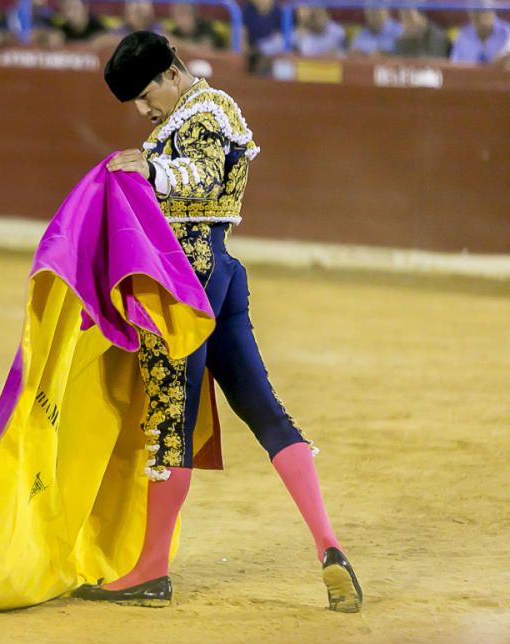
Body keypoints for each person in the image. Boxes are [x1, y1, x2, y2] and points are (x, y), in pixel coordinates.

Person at [71, 31, 363, 613]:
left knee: (169, 420)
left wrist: (150, 168)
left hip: (185, 282)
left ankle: (152, 572)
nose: (142, 109)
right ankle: (329, 548)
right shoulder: (190, 119)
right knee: (264, 411)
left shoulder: (204, 111)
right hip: (221, 273)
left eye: (144, 94)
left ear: (171, 74)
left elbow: (200, 176)